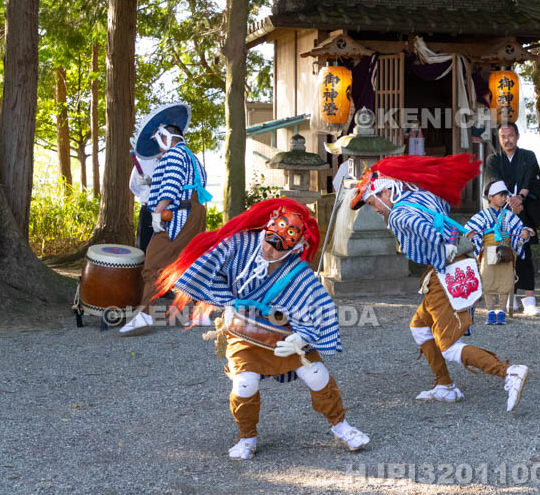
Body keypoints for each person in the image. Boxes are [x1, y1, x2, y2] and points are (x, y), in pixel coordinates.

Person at [155, 198, 369, 458]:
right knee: (245, 383)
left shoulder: (297, 271)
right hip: (243, 332)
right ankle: (247, 438)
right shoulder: (239, 243)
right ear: (266, 229)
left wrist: (301, 338)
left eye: (278, 250)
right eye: (268, 243)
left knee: (316, 373)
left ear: (295, 247)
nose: (269, 251)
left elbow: (316, 305)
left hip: (282, 333)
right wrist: (229, 301)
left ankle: (341, 426)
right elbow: (208, 269)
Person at [351, 154, 530, 411]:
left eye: (372, 202)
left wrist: (441, 244)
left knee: (448, 346)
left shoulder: (399, 214)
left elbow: (423, 228)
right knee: (420, 327)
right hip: (456, 265)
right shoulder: (421, 194)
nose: (375, 208)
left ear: (386, 191)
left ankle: (509, 372)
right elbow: (443, 210)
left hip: (444, 272)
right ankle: (444, 385)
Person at [121, 108, 211, 336]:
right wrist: (151, 182)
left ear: (167, 137)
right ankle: (199, 314)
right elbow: (183, 185)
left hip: (178, 215)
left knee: (154, 259)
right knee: (188, 262)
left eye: (159, 140)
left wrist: (157, 212)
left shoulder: (173, 155)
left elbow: (171, 187)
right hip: (195, 212)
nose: (158, 147)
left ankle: (145, 314)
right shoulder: (190, 157)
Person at [484, 123, 540, 316]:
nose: (507, 140)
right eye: (503, 136)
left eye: (510, 135)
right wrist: (510, 200)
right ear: (499, 138)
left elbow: (531, 180)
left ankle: (529, 300)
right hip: (501, 212)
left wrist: (520, 198)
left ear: (517, 136)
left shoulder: (528, 156)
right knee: (502, 252)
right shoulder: (493, 159)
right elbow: (493, 183)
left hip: (523, 209)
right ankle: (509, 296)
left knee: (524, 254)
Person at [465, 180, 534, 325]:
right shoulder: (482, 215)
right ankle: (490, 311)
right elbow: (468, 229)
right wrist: (471, 235)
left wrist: (525, 233)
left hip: (506, 251)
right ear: (490, 196)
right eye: (500, 195)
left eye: (505, 195)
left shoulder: (509, 216)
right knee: (488, 280)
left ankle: (502, 311)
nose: (504, 198)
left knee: (506, 280)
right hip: (489, 250)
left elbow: (520, 228)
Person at [129, 151, 159, 253]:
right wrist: (146, 196)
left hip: (168, 211)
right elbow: (134, 186)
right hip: (147, 210)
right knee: (144, 248)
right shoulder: (143, 163)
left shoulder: (172, 161)